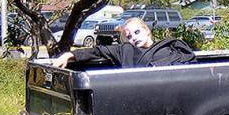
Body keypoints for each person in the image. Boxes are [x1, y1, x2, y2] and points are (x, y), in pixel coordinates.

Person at [51, 17, 196, 69]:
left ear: (146, 30)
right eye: (129, 36)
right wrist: (69, 55)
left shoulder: (170, 46)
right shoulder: (126, 51)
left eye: (137, 32)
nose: (134, 38)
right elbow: (98, 51)